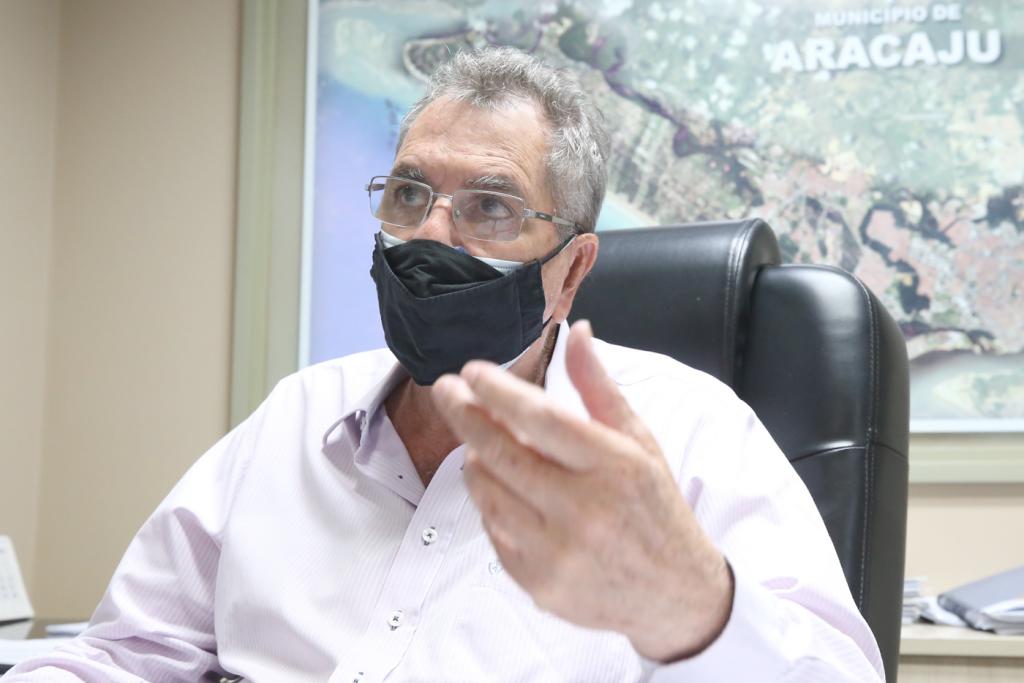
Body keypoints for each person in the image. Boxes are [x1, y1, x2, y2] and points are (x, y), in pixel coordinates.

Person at [5, 47, 884, 682]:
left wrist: (695, 604)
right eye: (409, 193)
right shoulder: (295, 416)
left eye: (490, 206)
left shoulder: (692, 434)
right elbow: (121, 655)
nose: (431, 234)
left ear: (572, 269)